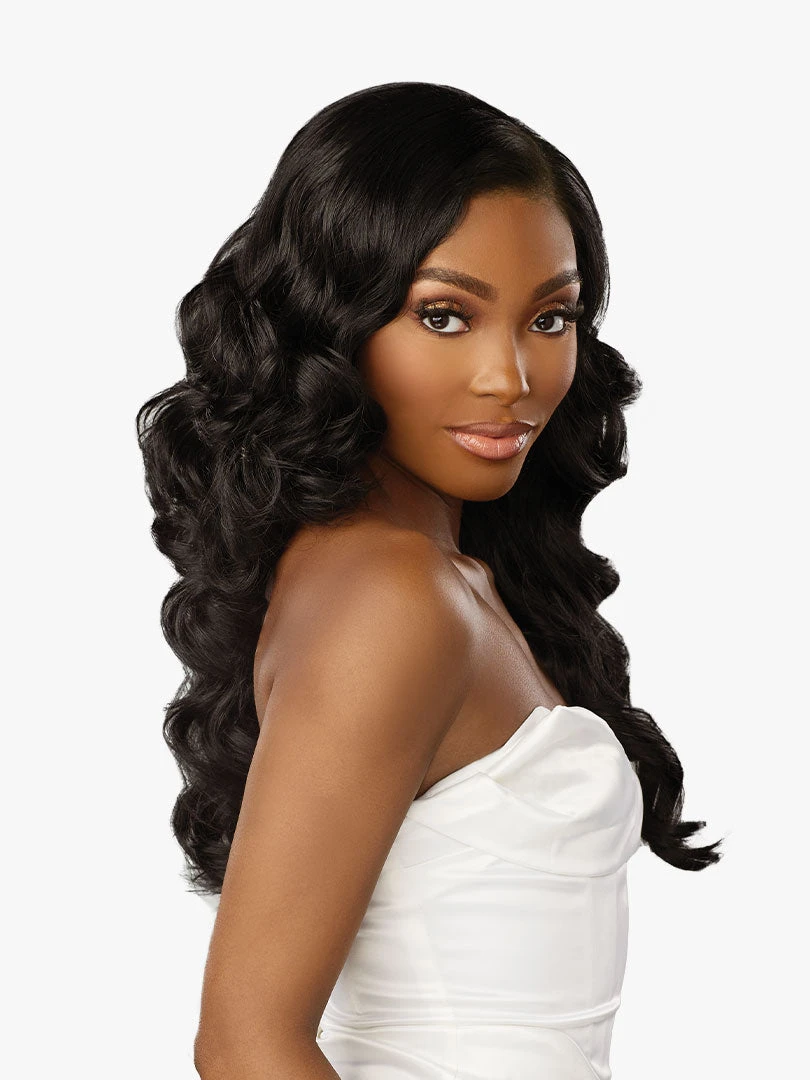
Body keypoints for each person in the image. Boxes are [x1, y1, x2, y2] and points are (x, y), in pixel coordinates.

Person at [136, 81, 723, 1079]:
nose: (511, 378)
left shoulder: (430, 579)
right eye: (445, 317)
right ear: (333, 324)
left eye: (551, 318)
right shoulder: (392, 595)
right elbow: (244, 1044)